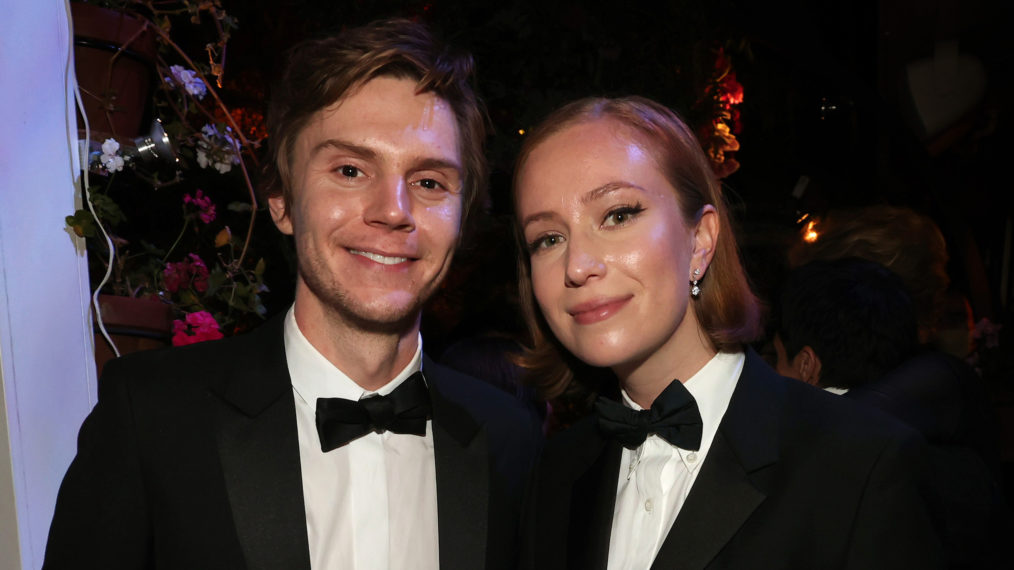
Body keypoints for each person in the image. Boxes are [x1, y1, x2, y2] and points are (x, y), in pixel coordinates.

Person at [44, 19, 542, 570]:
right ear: (281, 200)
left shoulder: (510, 444)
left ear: (462, 213)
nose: (394, 210)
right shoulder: (152, 421)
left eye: (429, 182)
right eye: (350, 170)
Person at [513, 96, 942, 569]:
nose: (577, 266)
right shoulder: (551, 475)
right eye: (548, 239)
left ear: (699, 241)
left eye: (617, 215)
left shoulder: (860, 465)